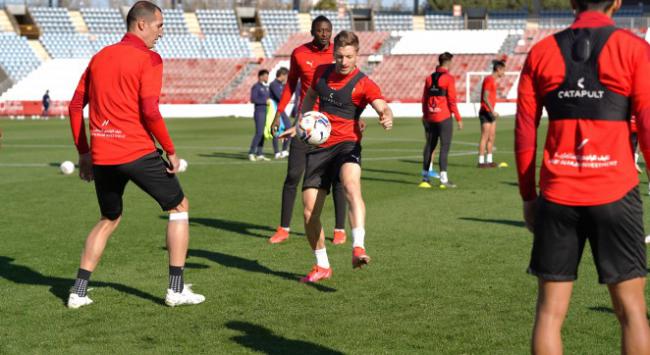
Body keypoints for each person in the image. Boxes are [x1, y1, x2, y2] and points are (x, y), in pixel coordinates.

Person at [515, 0, 650, 352]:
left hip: (557, 195)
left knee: (549, 315)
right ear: (617, 2)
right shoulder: (634, 48)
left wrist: (529, 196)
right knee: (633, 313)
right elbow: (648, 127)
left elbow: (525, 131)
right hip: (617, 192)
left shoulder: (541, 51)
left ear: (573, 2)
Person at [66, 1, 205, 309]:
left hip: (103, 156)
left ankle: (78, 291)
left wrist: (84, 153)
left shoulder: (100, 56)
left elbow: (74, 106)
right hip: (136, 152)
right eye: (159, 25)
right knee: (179, 206)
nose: (162, 32)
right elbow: (150, 110)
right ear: (141, 24)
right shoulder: (150, 59)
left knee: (109, 217)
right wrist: (170, 151)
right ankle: (175, 289)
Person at [280, 30, 393, 283]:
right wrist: (301, 125)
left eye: (349, 57)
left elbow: (380, 103)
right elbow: (309, 97)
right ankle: (322, 265)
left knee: (352, 185)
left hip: (347, 145)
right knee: (310, 213)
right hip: (319, 148)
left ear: (357, 56)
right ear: (334, 54)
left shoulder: (363, 82)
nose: (344, 62)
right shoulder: (321, 73)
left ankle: (359, 246)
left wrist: (386, 114)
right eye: (340, 56)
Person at [267, 16, 349, 245]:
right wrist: (278, 114)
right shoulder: (299, 53)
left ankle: (340, 229)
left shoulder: (338, 54)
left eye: (328, 30)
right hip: (303, 124)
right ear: (313, 31)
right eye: (320, 30)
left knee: (337, 179)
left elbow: (349, 86)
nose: (324, 34)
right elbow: (291, 84)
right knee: (293, 176)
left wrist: (354, 116)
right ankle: (283, 228)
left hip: (332, 123)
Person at [420, 52, 463, 189]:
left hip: (431, 117)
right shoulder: (448, 79)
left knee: (430, 146)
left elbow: (424, 99)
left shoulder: (429, 78)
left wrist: (425, 115)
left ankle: (425, 177)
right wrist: (458, 118)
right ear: (448, 63)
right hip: (444, 118)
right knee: (444, 147)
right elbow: (452, 101)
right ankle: (444, 179)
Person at [477, 60, 505, 168]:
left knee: (492, 137)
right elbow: (485, 96)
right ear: (498, 69)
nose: (504, 73)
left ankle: (489, 160)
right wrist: (492, 110)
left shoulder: (492, 80)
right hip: (486, 112)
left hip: (490, 112)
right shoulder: (489, 80)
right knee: (485, 136)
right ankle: (481, 161)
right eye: (503, 70)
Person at [249, 69, 271, 162]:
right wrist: (264, 102)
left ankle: (260, 153)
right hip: (259, 112)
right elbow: (253, 99)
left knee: (263, 133)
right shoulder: (256, 87)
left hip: (265, 112)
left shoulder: (266, 87)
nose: (267, 78)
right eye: (266, 76)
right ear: (261, 76)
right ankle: (251, 153)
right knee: (259, 133)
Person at [269, 67, 291, 159]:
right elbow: (279, 97)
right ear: (282, 75)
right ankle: (277, 152)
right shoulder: (273, 84)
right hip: (275, 110)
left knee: (288, 128)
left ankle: (284, 150)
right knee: (276, 129)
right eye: (286, 76)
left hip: (281, 109)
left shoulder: (281, 84)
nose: (286, 78)